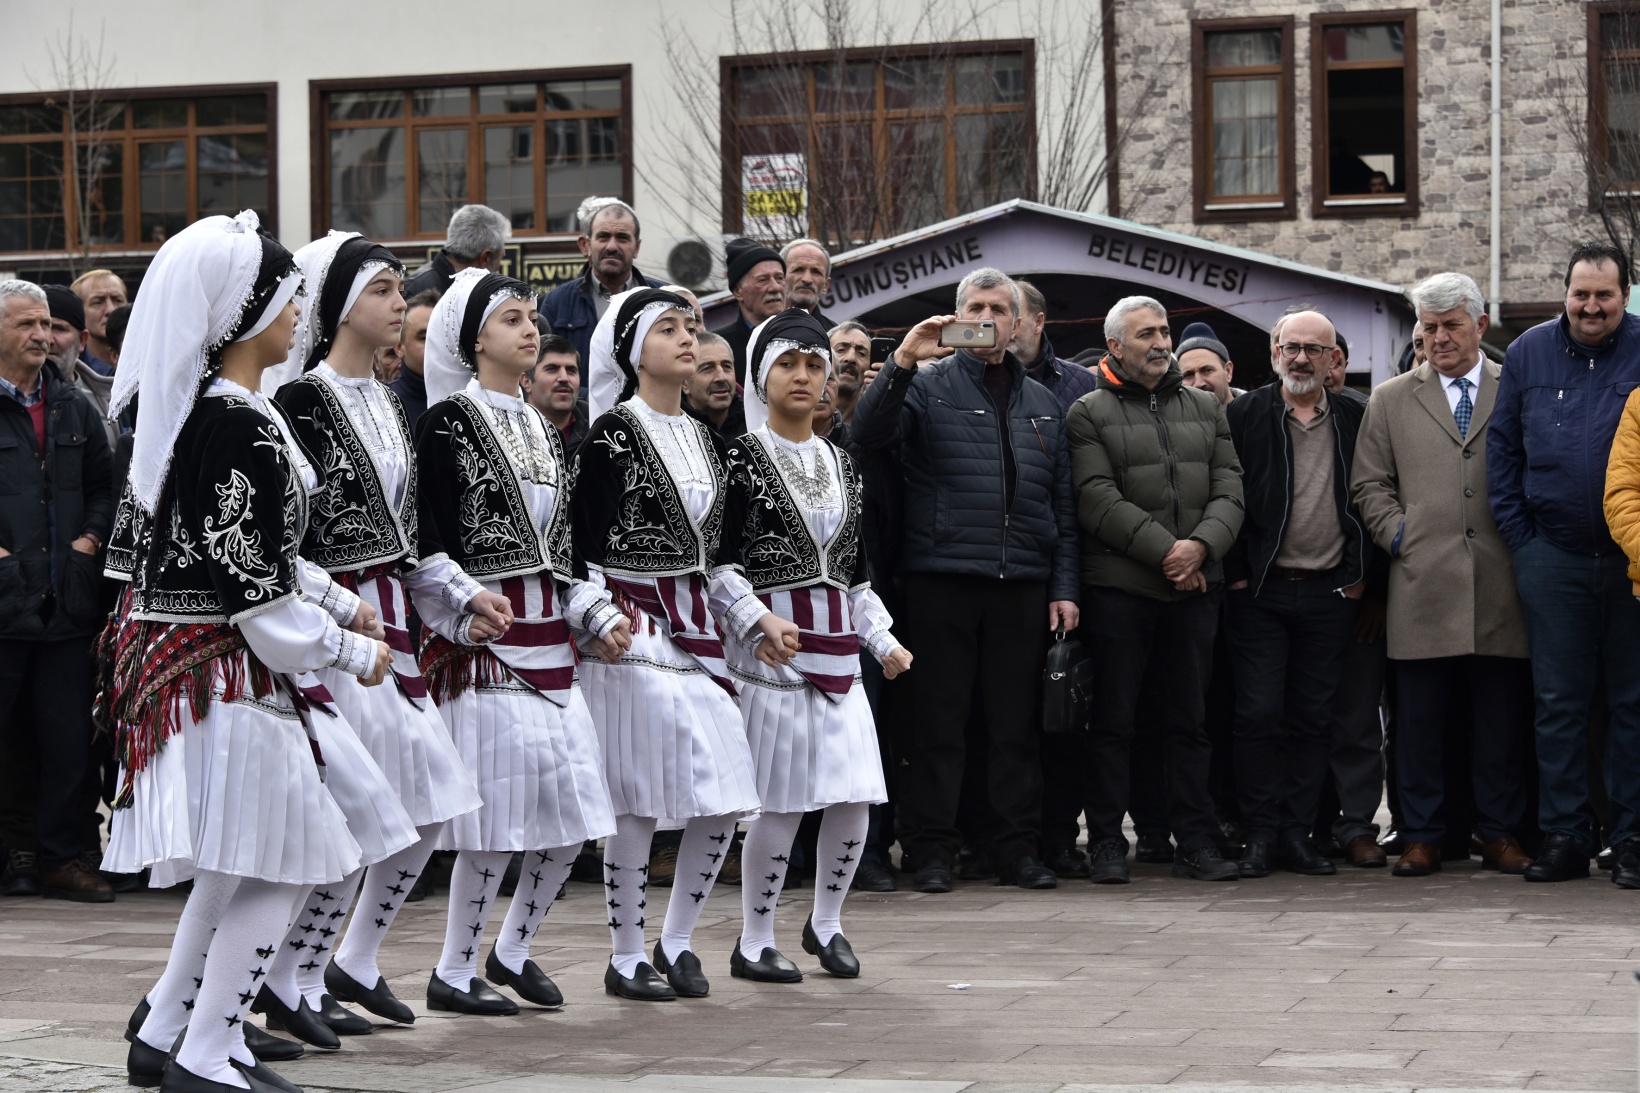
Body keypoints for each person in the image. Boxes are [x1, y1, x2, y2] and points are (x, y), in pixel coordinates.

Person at [103, 212, 391, 1093]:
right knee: (293, 856)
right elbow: (255, 593)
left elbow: (260, 553)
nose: (299, 312)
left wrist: (336, 601)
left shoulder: (227, 413)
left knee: (243, 863)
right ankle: (205, 1050)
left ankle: (174, 1031)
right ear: (245, 311)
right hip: (224, 669)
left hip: (212, 666)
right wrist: (347, 648)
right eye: (286, 297)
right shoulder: (235, 423)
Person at [264, 232, 490, 1036]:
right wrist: (331, 610)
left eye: (400, 289)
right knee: (360, 809)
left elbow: (412, 534)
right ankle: (292, 975)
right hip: (334, 625)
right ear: (337, 305)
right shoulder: (300, 403)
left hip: (394, 620)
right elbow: (281, 538)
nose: (400, 304)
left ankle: (347, 960)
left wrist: (462, 593)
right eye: (383, 290)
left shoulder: (394, 404)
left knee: (430, 801)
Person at [412, 268, 625, 1014]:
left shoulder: (542, 426)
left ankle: (512, 949)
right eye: (512, 319)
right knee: (495, 826)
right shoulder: (446, 422)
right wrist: (460, 603)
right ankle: (453, 968)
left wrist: (596, 614)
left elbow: (563, 551)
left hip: (553, 648)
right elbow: (425, 535)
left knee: (576, 818)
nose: (530, 330)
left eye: (532, 317)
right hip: (487, 646)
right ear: (474, 340)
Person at [851, 267, 1080, 894]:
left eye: (998, 308)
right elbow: (866, 435)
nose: (986, 318)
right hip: (941, 579)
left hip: (1022, 582)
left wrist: (1063, 585)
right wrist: (903, 360)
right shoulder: (926, 385)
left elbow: (1061, 504)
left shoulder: (1044, 402)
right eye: (975, 307)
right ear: (956, 317)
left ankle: (1014, 848)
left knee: (1014, 728)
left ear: (1018, 322)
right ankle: (931, 849)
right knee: (937, 725)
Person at [575, 287, 763, 1001]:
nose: (687, 338)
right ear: (631, 350)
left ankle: (677, 938)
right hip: (632, 629)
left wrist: (755, 619)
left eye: (690, 326)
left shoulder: (710, 441)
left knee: (726, 794)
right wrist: (597, 615)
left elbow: (721, 558)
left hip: (698, 633)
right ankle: (626, 952)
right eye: (667, 329)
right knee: (637, 800)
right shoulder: (609, 436)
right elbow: (580, 547)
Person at [714, 307, 912, 982]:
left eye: (813, 366)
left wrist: (880, 637)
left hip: (839, 651)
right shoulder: (738, 459)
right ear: (760, 377)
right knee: (783, 799)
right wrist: (752, 620)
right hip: (773, 651)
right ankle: (754, 937)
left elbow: (854, 570)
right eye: (787, 365)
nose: (802, 377)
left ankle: (827, 922)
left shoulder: (841, 462)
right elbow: (720, 561)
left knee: (853, 794)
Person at [1352, 272, 1533, 879]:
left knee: (1499, 723)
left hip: (1501, 582)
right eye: (1428, 328)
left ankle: (1499, 833)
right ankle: (1423, 836)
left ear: (1479, 325)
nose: (1439, 338)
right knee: (1419, 725)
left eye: (1451, 325)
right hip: (1421, 585)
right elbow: (1368, 483)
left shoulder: (1515, 388)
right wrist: (1399, 533)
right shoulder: (1389, 398)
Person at [1067, 295, 1245, 884]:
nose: (1162, 344)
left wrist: (1201, 547)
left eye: (1164, 332)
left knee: (1190, 723)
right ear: (1115, 345)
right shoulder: (1087, 412)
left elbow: (1230, 487)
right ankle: (1106, 844)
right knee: (1114, 723)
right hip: (1122, 592)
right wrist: (1170, 552)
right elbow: (1096, 497)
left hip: (1194, 591)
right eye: (1146, 334)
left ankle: (1195, 841)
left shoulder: (1205, 407)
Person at [1490, 241, 1640, 885]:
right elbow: (1503, 451)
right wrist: (1523, 540)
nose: (1592, 306)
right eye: (1582, 294)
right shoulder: (1528, 352)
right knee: (1558, 704)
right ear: (1566, 294)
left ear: (1625, 295)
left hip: (1633, 560)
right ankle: (1566, 836)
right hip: (1551, 556)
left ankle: (1631, 838)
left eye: (1605, 295)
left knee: (1633, 704)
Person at [1223, 310, 1372, 877]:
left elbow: (1376, 495)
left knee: (1314, 719)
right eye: (1292, 347)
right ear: (1274, 353)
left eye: (1315, 349)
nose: (1302, 358)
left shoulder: (1358, 416)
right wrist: (1237, 574)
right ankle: (1260, 833)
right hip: (1260, 592)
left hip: (1330, 593)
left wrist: (1359, 576)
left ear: (1334, 359)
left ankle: (1297, 833)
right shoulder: (1243, 415)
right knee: (1258, 714)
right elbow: (1224, 494)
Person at [0, 280, 114, 904]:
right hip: (3, 600)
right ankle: (11, 856)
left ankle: (62, 857)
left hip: (67, 598)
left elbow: (105, 486)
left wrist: (88, 541)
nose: (42, 336)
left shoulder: (72, 405)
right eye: (27, 325)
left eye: (46, 324)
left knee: (68, 738)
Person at [538, 200, 665, 372]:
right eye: (603, 237)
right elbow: (543, 370)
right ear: (586, 245)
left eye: (622, 238)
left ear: (637, 247)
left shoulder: (663, 299)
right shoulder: (557, 302)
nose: (612, 246)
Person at [1010, 279, 1098, 411]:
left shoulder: (1086, 383)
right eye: (998, 316)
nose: (1002, 326)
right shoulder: (975, 382)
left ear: (1038, 322)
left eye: (1013, 315)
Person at [711, 238, 786, 384]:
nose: (775, 287)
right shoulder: (718, 347)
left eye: (779, 278)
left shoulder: (806, 339)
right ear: (738, 291)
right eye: (763, 280)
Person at [401, 204, 511, 301]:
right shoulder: (414, 293)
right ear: (485, 258)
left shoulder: (416, 289)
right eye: (500, 258)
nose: (498, 268)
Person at [521, 334, 590, 457]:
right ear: (527, 382)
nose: (564, 378)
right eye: (552, 369)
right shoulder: (508, 434)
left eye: (571, 370)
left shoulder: (597, 435)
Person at [388, 289, 438, 433]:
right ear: (399, 347)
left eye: (442, 336)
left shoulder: (474, 399)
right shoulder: (384, 405)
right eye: (424, 338)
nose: (436, 344)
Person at [682, 330, 746, 442]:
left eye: (727, 366)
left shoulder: (755, 424)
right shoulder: (671, 435)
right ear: (684, 383)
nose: (721, 377)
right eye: (707, 369)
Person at [70, 268, 127, 375]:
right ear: (79, 312)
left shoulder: (147, 361)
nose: (111, 309)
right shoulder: (70, 373)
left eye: (118, 300)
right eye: (98, 302)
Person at [1176, 322, 1243, 404]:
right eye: (1188, 375)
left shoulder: (1255, 410)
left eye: (1207, 370)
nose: (1198, 384)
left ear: (1228, 371)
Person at [780, 238, 836, 327]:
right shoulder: (760, 328)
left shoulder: (834, 334)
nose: (807, 279)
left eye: (816, 272)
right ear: (780, 278)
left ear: (826, 285)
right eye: (798, 270)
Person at [827, 321, 870, 423]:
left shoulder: (878, 420)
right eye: (841, 350)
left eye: (861, 353)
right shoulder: (800, 416)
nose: (851, 358)